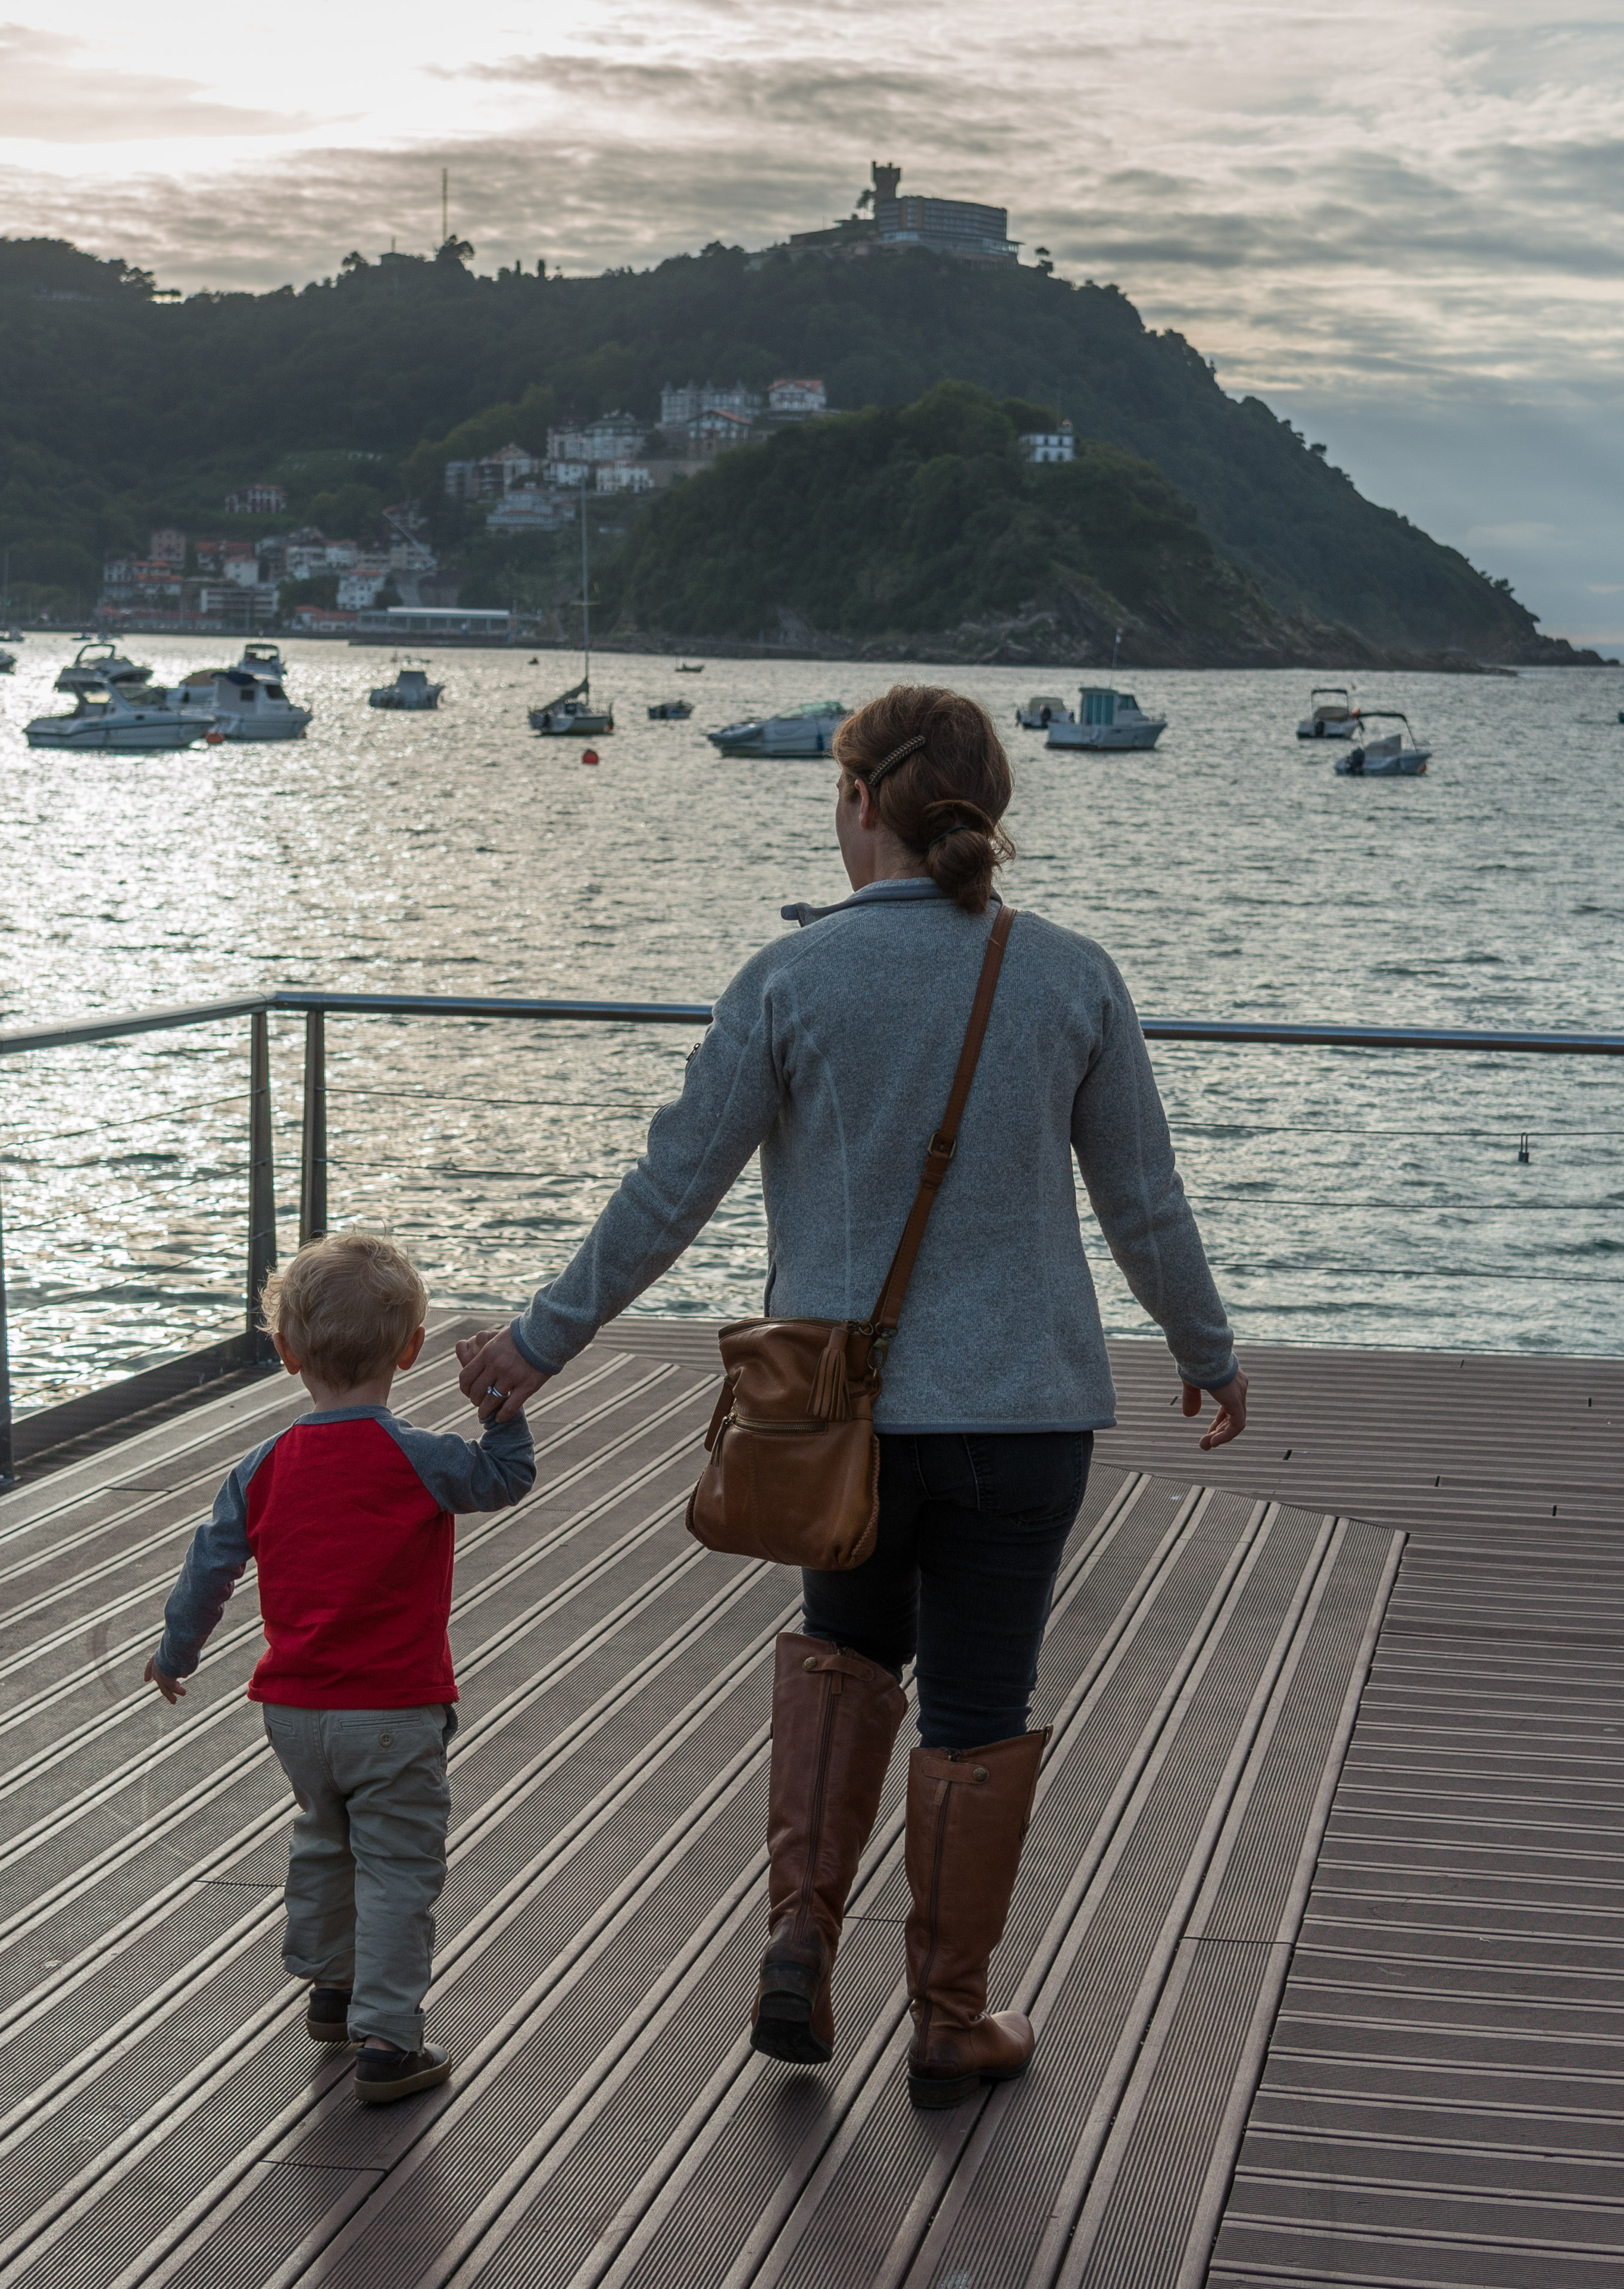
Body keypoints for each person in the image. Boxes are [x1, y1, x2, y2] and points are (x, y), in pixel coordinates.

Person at [456, 681, 1245, 2112]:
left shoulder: (790, 980)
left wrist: (538, 1343)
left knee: (845, 1652)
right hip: (1022, 1416)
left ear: (862, 801)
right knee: (981, 1708)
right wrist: (1208, 1350)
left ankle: (801, 1943)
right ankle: (949, 2015)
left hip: (835, 1417)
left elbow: (671, 1189)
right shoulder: (1071, 977)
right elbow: (1145, 1199)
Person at [146, 1229, 535, 2102]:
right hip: (392, 1710)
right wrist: (501, 1409)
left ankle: (333, 1988)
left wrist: (176, 1653)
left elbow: (208, 1568)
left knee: (326, 1839)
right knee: (397, 1864)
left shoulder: (262, 1467)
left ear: (287, 1353)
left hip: (295, 1715)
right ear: (410, 1349)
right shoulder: (422, 1458)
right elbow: (505, 1479)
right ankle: (389, 2040)